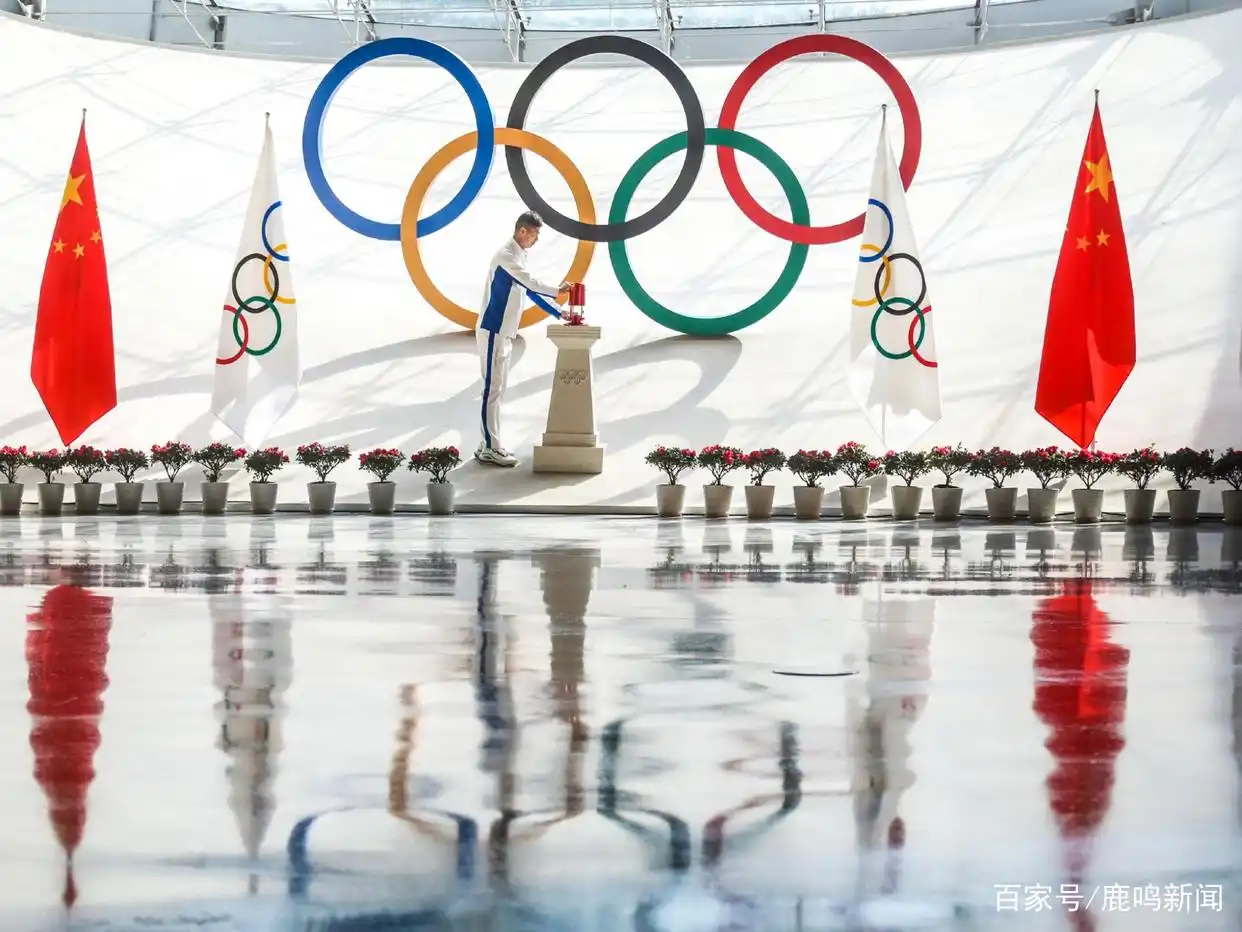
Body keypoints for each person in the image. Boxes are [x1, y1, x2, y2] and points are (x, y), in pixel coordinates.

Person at [474, 210, 570, 468]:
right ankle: (491, 447)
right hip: (493, 330)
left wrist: (559, 312)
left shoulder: (518, 257)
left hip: (504, 333)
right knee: (492, 389)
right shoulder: (505, 256)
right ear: (522, 231)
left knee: (497, 389)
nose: (536, 240)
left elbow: (529, 290)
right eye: (534, 235)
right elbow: (530, 282)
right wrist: (558, 290)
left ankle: (488, 443)